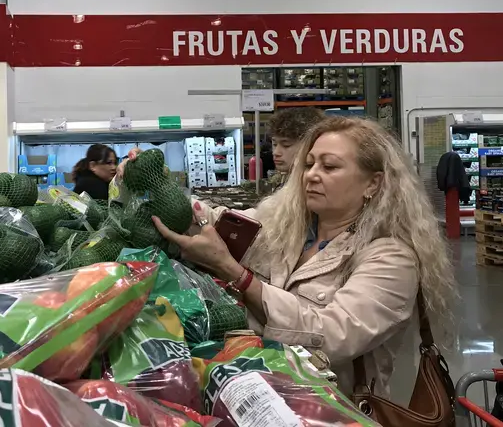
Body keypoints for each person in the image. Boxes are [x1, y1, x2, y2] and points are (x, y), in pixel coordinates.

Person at [152, 117, 456, 398]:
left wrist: (236, 274)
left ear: (372, 183)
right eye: (309, 164)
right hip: (263, 396)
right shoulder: (288, 228)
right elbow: (219, 220)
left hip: (332, 407)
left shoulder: (391, 258)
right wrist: (157, 189)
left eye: (330, 167)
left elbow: (333, 335)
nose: (311, 175)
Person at [267, 107, 327, 188]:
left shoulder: (317, 188)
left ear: (311, 144)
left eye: (286, 145)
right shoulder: (288, 185)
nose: (276, 152)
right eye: (274, 144)